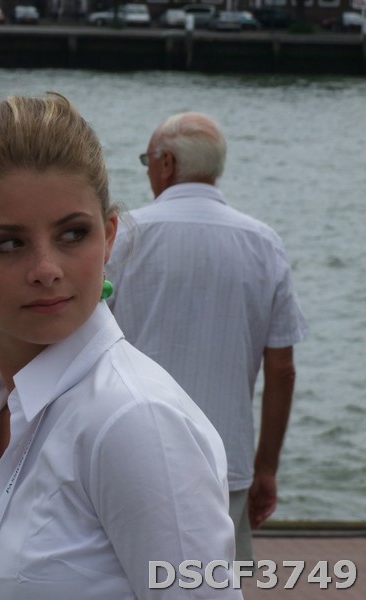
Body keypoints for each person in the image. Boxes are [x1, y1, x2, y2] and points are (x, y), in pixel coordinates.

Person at [0, 93, 242, 600]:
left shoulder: (134, 421)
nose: (46, 269)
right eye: (9, 243)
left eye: (73, 234)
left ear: (109, 235)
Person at [105, 112, 308, 562]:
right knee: (212, 584)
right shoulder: (264, 243)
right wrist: (266, 469)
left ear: (166, 163)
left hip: (131, 453)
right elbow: (282, 370)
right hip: (226, 460)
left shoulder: (123, 236)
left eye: (147, 160)